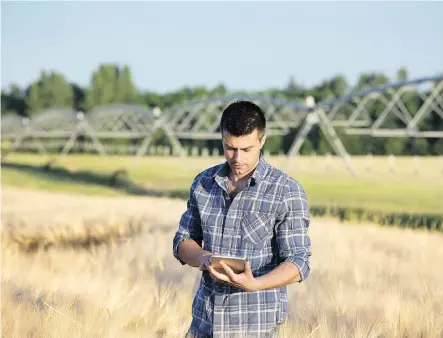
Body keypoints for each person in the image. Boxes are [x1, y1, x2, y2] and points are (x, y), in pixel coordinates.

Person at [172, 100, 312, 338]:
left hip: (256, 328)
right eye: (230, 148)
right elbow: (182, 241)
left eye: (246, 149)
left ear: (262, 141)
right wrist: (203, 257)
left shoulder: (286, 190)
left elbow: (299, 262)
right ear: (222, 139)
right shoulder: (203, 183)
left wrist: (254, 284)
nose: (237, 158)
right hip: (204, 325)